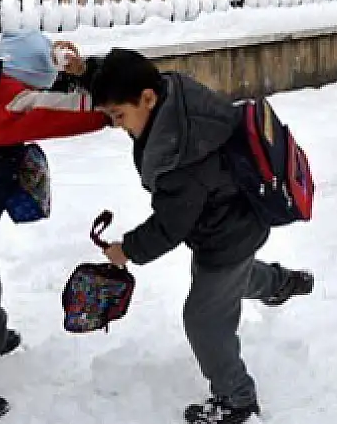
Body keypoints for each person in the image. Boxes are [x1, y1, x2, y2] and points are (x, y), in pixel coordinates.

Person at [74, 47, 314, 424]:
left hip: (226, 236)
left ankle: (237, 399)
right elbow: (126, 72)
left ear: (148, 99)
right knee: (232, 281)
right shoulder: (172, 95)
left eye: (119, 115)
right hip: (237, 218)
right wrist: (85, 71)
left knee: (203, 319)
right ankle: (281, 283)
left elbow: (170, 227)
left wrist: (129, 249)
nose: (118, 124)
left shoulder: (182, 158)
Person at [0, 31, 110, 417]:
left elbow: (50, 98)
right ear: (33, 75)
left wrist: (71, 69)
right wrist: (109, 100)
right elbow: (82, 114)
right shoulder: (12, 101)